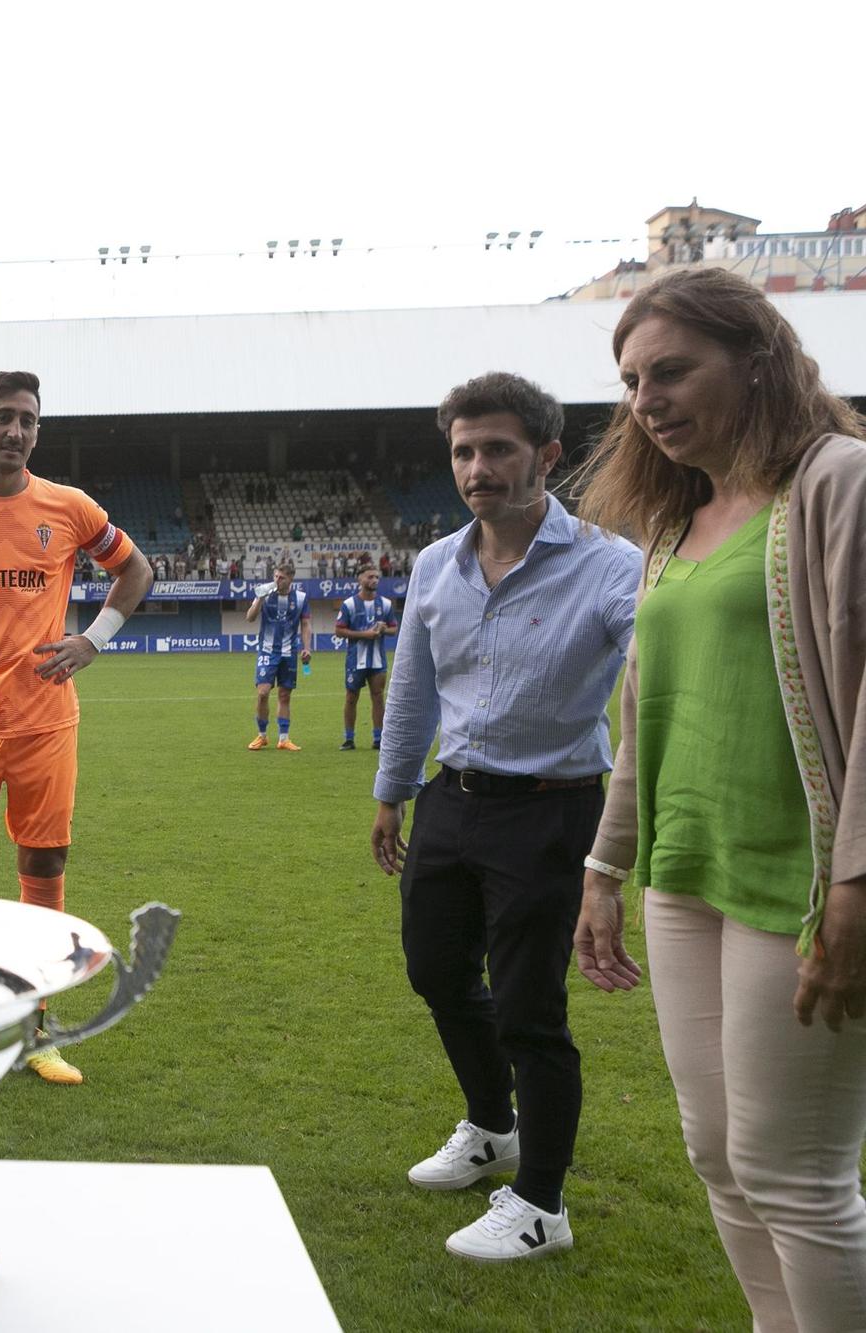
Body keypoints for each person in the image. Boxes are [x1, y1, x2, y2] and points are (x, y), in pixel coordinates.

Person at [571, 268, 866, 1328]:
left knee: (794, 1174)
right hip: (683, 878)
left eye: (669, 370)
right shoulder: (670, 528)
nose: (644, 400)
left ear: (754, 360)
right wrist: (606, 866)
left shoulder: (838, 481)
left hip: (803, 882)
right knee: (720, 1160)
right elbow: (642, 714)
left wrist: (855, 879)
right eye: (630, 381)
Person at [370, 371, 641, 1262]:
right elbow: (410, 687)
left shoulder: (609, 564)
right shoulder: (433, 565)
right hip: (451, 801)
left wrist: (620, 847)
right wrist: (391, 790)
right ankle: (493, 1125)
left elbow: (648, 675)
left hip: (552, 811)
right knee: (436, 973)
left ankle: (541, 1204)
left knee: (531, 1009)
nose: (477, 467)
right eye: (462, 451)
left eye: (497, 449)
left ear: (547, 456)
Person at [0, 369, 153, 1085]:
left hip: (46, 724)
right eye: (4, 416)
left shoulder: (68, 508)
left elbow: (135, 572)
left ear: (37, 432)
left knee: (43, 867)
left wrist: (94, 638)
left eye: (29, 420)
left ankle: (37, 1027)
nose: (16, 430)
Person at [245, 560, 312, 750]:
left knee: (284, 696)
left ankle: (283, 739)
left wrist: (307, 648)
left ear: (290, 579)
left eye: (281, 578)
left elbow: (306, 624)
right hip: (267, 651)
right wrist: (259, 599)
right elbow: (249, 618)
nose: (277, 580)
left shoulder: (300, 598)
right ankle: (262, 735)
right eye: (275, 576)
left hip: (289, 652)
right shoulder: (265, 593)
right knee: (263, 692)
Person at [334, 565, 398, 750]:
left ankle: (379, 739)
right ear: (360, 579)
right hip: (356, 659)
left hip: (378, 659)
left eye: (377, 577)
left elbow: (394, 629)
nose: (374, 580)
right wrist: (365, 634)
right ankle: (349, 738)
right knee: (351, 698)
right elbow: (339, 630)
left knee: (378, 697)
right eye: (370, 577)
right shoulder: (349, 604)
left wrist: (384, 629)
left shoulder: (385, 604)